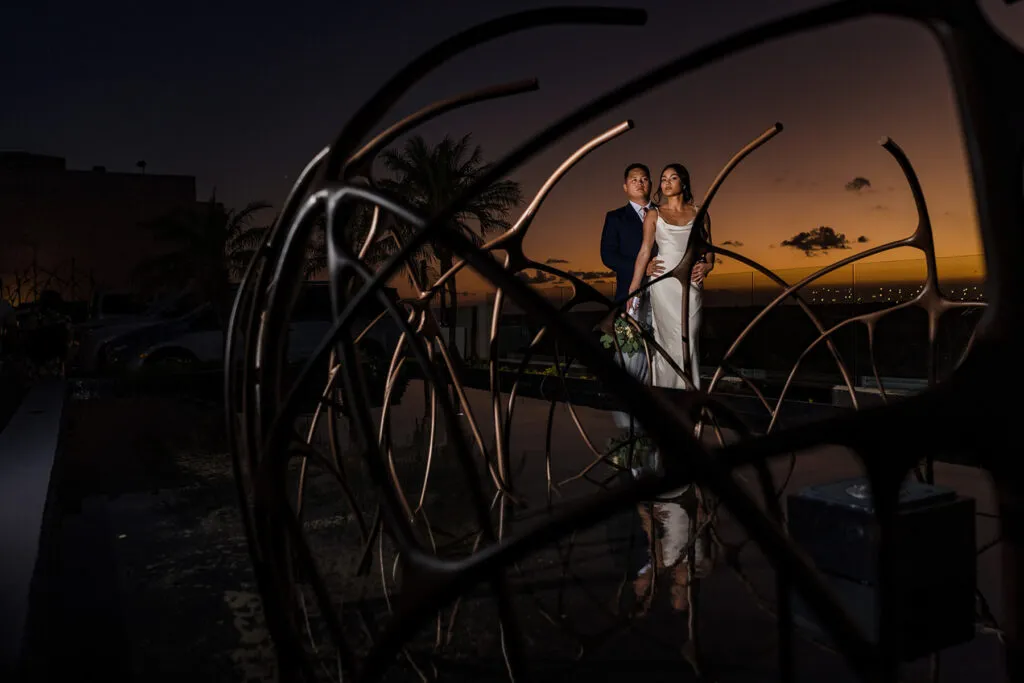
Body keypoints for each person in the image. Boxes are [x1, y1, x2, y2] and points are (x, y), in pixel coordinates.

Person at [622, 163, 714, 614]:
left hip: (689, 292)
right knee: (665, 353)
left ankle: (691, 421)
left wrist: (705, 268)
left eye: (674, 176)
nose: (667, 181)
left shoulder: (700, 211)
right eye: (664, 177)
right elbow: (642, 253)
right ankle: (667, 418)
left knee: (689, 347)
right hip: (660, 288)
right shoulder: (654, 214)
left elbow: (710, 253)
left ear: (685, 182)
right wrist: (633, 296)